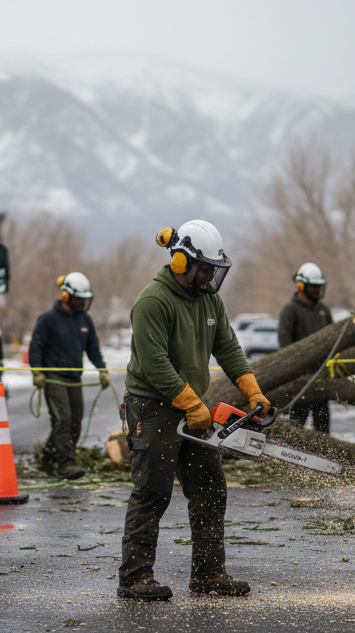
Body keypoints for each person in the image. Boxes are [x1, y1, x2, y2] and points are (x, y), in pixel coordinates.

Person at [118, 220, 272, 601]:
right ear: (181, 262)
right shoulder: (153, 302)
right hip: (153, 408)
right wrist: (189, 402)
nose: (209, 276)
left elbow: (230, 350)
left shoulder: (209, 300)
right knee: (152, 492)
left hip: (194, 409)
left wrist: (251, 388)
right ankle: (135, 577)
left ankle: (208, 574)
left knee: (210, 489)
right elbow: (154, 363)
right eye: (203, 268)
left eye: (213, 269)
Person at [30, 272, 109, 480]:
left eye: (85, 299)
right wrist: (37, 371)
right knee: (63, 419)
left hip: (75, 379)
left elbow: (93, 349)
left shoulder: (85, 321)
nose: (83, 303)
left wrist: (102, 370)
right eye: (79, 299)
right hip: (54, 378)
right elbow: (36, 346)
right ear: (66, 296)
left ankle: (48, 460)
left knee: (74, 422)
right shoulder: (48, 319)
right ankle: (65, 464)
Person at [278, 262, 333, 432]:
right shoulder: (290, 310)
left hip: (321, 375)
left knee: (322, 423)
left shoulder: (323, 310)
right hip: (300, 379)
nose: (317, 290)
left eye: (318, 287)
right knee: (297, 423)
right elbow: (284, 339)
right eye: (313, 287)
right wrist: (296, 365)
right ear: (301, 286)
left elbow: (333, 336)